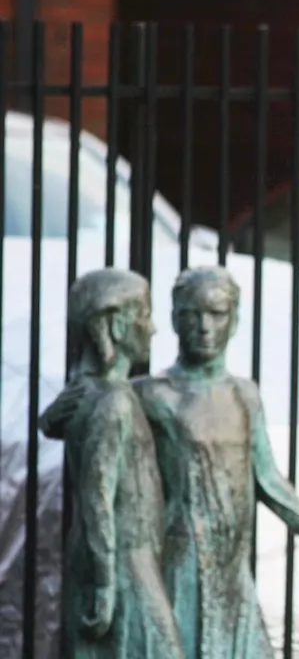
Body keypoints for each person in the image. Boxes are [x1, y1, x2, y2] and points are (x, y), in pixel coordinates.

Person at [135, 266, 299, 658]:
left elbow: (268, 478)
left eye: (217, 313)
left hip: (231, 569)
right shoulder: (150, 396)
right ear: (174, 318)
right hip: (177, 563)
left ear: (235, 320)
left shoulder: (244, 395)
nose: (204, 327)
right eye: (193, 314)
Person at [38, 268, 185, 659]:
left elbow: (52, 424)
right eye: (143, 314)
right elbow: (96, 497)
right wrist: (105, 583)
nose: (152, 328)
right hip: (123, 563)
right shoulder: (115, 402)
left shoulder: (90, 391)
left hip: (123, 561)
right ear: (113, 323)